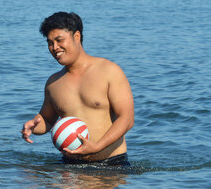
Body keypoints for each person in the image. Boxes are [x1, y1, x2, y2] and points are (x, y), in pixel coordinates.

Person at [21, 12, 134, 166]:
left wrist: (97, 147)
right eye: (50, 43)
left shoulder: (109, 71)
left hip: (112, 165)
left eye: (59, 40)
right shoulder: (53, 83)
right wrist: (33, 126)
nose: (54, 48)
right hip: (70, 165)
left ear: (77, 36)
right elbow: (47, 119)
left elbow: (127, 119)